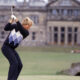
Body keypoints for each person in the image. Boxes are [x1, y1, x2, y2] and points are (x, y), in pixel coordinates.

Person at [1, 15, 33, 80]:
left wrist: (17, 21)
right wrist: (10, 21)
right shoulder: (15, 26)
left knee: (20, 65)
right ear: (25, 24)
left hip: (12, 49)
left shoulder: (26, 32)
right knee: (14, 63)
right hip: (6, 47)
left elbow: (21, 29)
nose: (29, 27)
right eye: (29, 26)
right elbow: (6, 28)